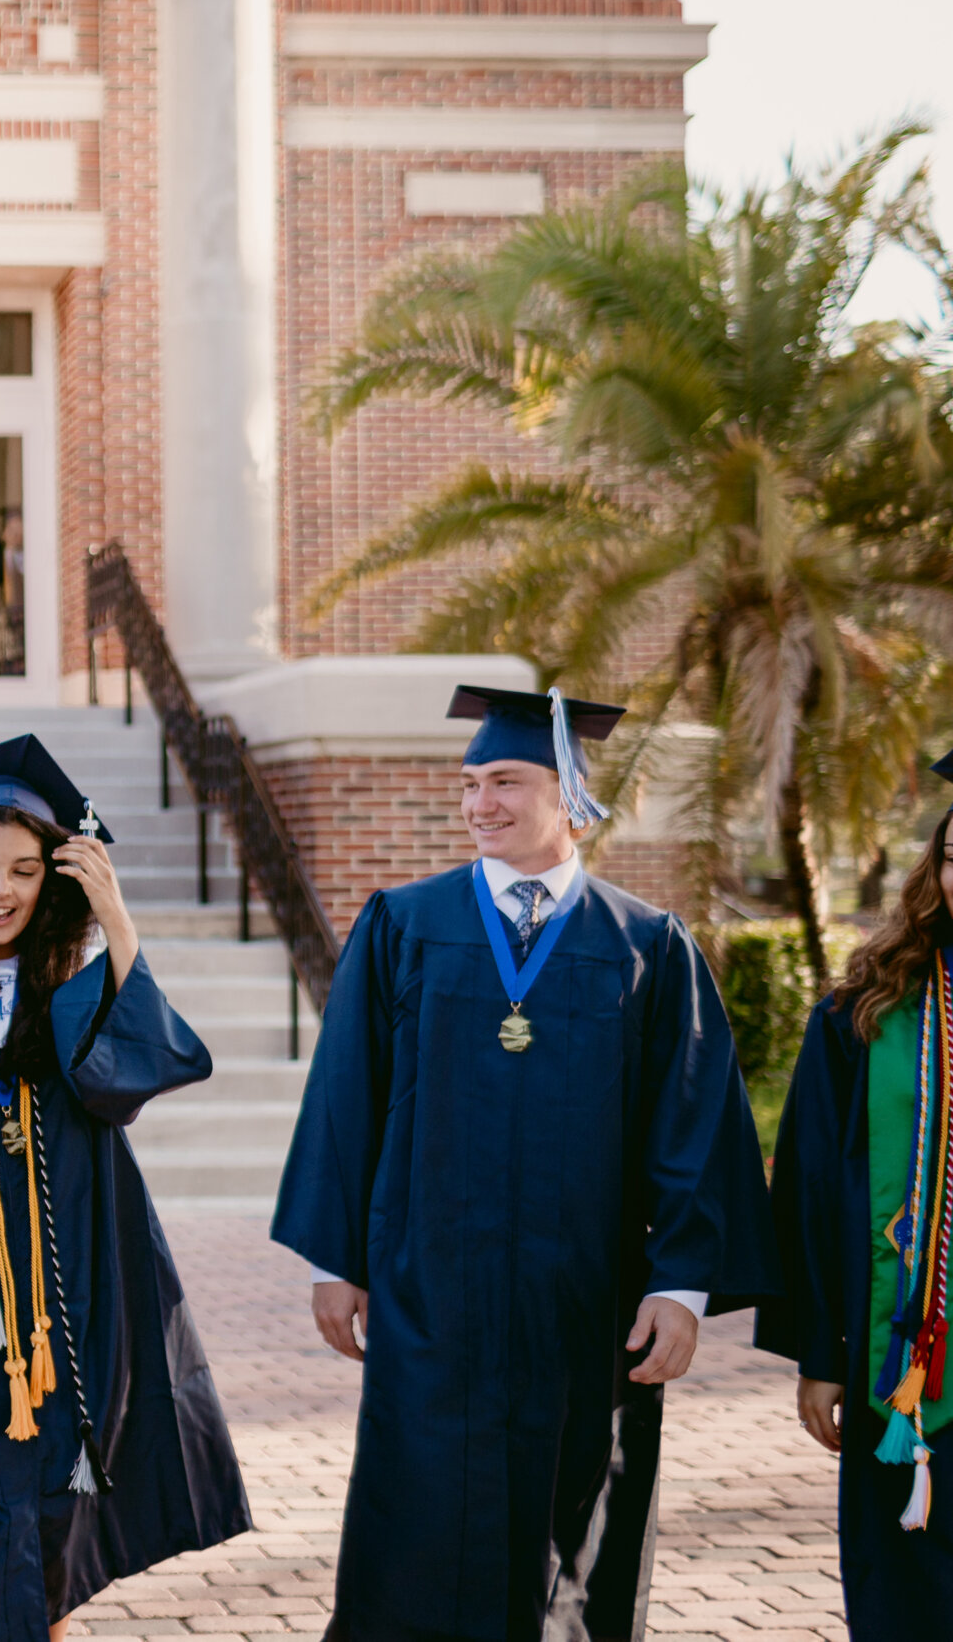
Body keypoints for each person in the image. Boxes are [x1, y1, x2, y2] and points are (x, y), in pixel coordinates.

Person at [271, 684, 778, 1642]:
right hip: (433, 1301)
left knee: (578, 1535)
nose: (480, 804)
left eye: (505, 780)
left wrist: (681, 1283)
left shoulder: (643, 945)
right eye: (470, 785)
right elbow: (345, 1095)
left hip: (585, 1305)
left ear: (569, 793)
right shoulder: (406, 925)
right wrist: (335, 1260)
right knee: (419, 1527)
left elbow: (692, 1121)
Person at [0, 736, 250, 1642]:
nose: (0, 889)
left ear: (53, 879)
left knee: (58, 1526)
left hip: (74, 1310)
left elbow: (126, 1083)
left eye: (25, 870)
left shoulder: (74, 990)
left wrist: (118, 924)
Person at [762, 751, 953, 1628]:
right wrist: (820, 1355)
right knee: (907, 1585)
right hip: (909, 1367)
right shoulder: (868, 1011)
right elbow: (806, 1188)